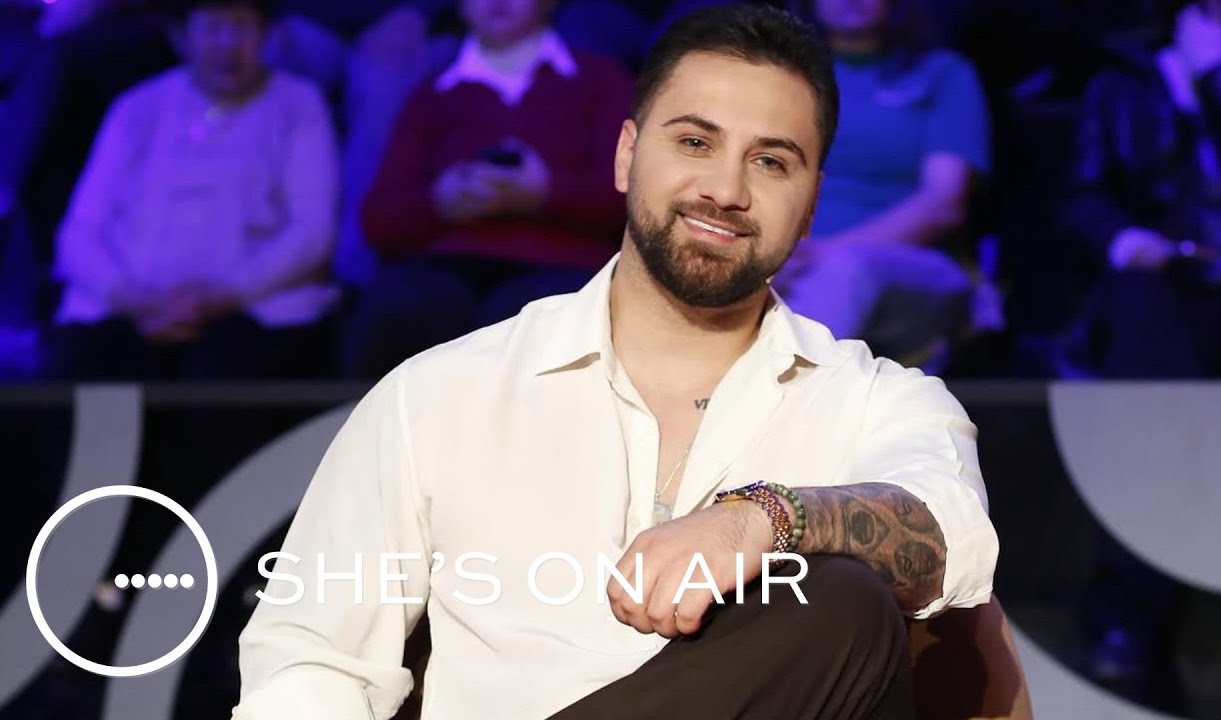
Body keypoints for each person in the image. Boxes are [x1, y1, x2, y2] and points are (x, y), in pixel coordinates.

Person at [235, 5, 998, 719]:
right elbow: (311, 658)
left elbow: (953, 535)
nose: (725, 189)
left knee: (841, 604)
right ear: (627, 154)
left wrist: (765, 519)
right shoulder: (439, 394)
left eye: (771, 162)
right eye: (694, 143)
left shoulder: (875, 401)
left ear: (811, 204)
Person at [44, 0, 340, 380]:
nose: (229, 44)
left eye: (242, 27)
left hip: (253, 310)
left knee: (224, 374)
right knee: (94, 369)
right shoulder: (136, 107)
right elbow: (80, 231)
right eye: (213, 27)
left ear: (266, 35)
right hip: (129, 310)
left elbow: (312, 230)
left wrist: (224, 296)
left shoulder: (298, 105)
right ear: (181, 37)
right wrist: (135, 300)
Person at [344, 0, 633, 379]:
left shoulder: (601, 81)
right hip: (445, 265)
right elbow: (379, 217)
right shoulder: (432, 94)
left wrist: (545, 192)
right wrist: (439, 202)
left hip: (563, 264)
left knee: (531, 317)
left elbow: (631, 199)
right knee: (399, 308)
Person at [1063, 0, 1221, 377]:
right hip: (1163, 287)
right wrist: (1124, 240)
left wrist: (1220, 75)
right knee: (1135, 300)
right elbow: (1083, 195)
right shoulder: (1123, 80)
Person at [773, 0, 990, 365]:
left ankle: (789, 390)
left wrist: (822, 253)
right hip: (784, 259)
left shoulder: (942, 74)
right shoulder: (776, 75)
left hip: (912, 267)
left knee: (845, 270)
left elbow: (943, 202)